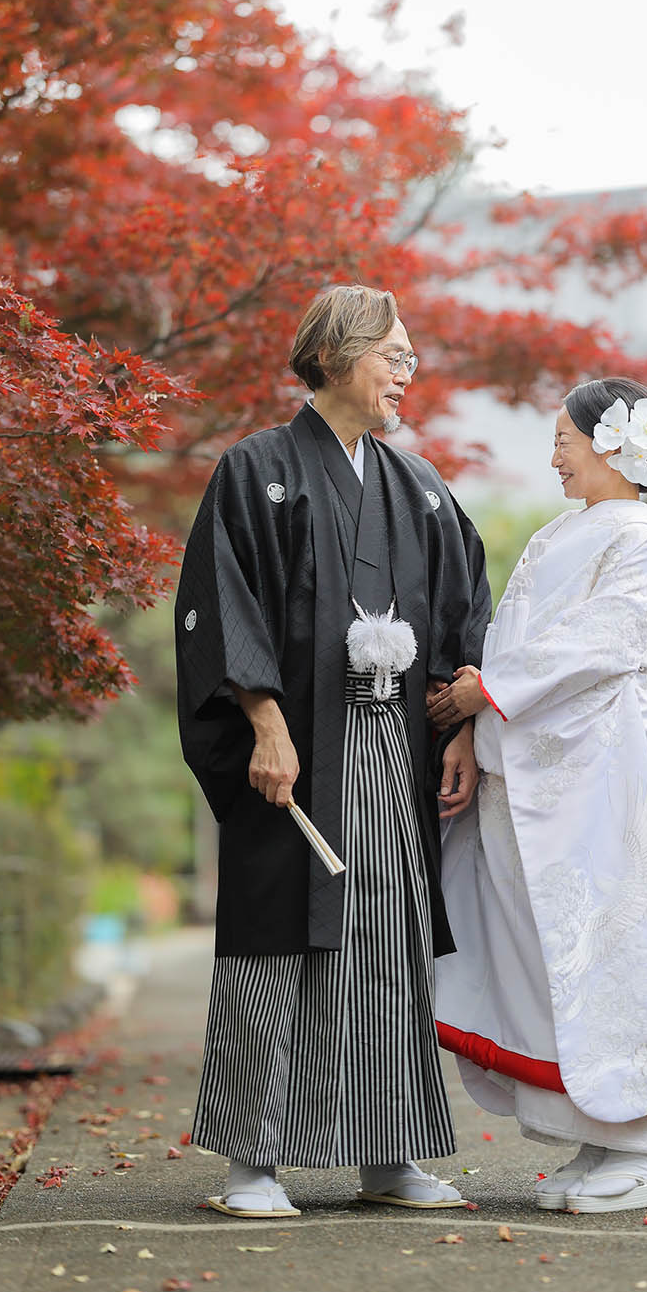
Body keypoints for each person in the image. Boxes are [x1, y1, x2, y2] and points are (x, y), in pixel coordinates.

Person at [175, 284, 491, 1217]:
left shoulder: (419, 485)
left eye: (411, 358)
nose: (408, 372)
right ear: (339, 353)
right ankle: (253, 1162)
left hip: (391, 747)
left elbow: (466, 608)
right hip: (298, 753)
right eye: (394, 354)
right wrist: (264, 726)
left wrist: (465, 724)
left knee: (387, 937)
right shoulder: (256, 468)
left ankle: (390, 1155)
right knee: (279, 943)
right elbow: (219, 604)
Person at [428, 377, 647, 1214]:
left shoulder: (639, 538)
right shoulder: (559, 534)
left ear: (611, 444)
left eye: (565, 438)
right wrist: (481, 705)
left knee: (600, 950)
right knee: (539, 954)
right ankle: (593, 1139)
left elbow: (602, 643)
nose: (554, 454)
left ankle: (633, 1148)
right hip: (532, 769)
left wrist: (486, 692)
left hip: (588, 781)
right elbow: (522, 640)